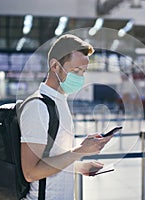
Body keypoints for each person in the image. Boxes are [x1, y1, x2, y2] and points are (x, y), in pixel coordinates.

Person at [20, 34, 113, 200]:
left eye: (83, 72)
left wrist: (80, 166)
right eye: (75, 70)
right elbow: (31, 173)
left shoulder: (60, 101)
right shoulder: (38, 106)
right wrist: (80, 151)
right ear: (55, 65)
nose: (80, 77)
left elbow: (51, 158)